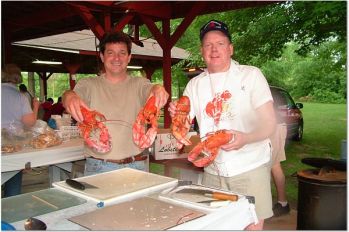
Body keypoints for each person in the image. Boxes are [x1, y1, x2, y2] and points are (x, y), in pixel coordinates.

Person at [169, 20, 276, 230]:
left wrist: (244, 138)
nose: (214, 49)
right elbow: (182, 126)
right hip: (212, 170)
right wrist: (177, 115)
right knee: (215, 226)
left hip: (250, 168)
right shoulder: (195, 84)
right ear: (202, 51)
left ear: (230, 48)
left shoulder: (251, 75)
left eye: (220, 43)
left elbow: (270, 124)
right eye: (208, 45)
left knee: (251, 226)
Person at [62, 31, 169, 176]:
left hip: (137, 165)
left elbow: (151, 89)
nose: (116, 58)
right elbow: (71, 95)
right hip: (98, 167)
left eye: (122, 53)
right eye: (110, 53)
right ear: (102, 56)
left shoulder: (140, 84)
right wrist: (68, 96)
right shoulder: (88, 84)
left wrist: (158, 89)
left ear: (129, 57)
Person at [1, 64, 40, 197]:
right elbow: (30, 123)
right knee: (13, 177)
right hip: (12, 144)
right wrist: (35, 106)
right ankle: (11, 212)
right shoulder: (20, 97)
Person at [270, 124, 290, 217]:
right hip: (272, 126)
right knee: (274, 165)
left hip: (273, 127)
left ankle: (282, 204)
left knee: (272, 165)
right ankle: (282, 204)